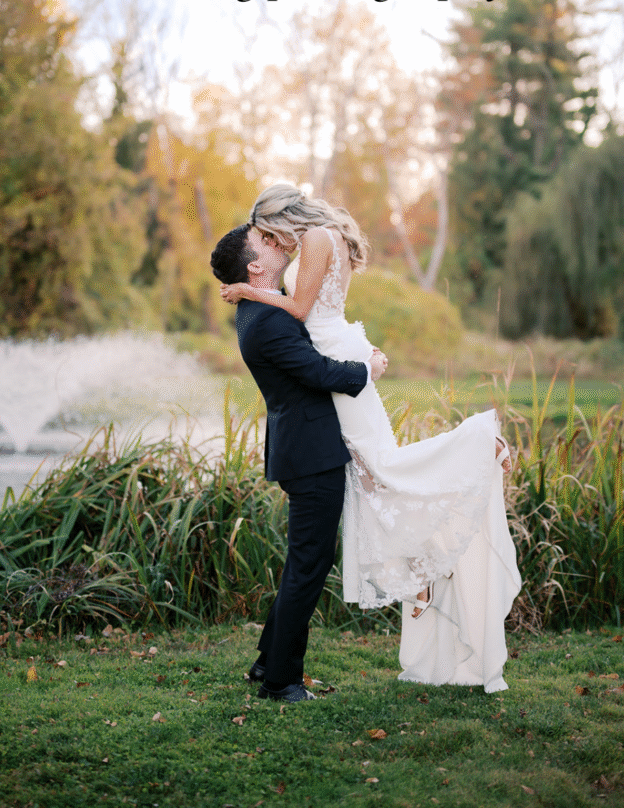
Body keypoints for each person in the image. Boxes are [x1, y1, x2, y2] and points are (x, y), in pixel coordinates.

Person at [219, 184, 522, 694]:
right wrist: (359, 359)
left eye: (272, 233)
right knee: (375, 477)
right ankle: (418, 567)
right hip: (336, 362)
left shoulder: (313, 240)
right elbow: (305, 325)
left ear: (285, 218)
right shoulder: (312, 245)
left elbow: (298, 311)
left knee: (382, 469)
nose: (276, 244)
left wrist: (361, 363)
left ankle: (475, 447)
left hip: (340, 362)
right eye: (267, 240)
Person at [210, 223, 388, 704]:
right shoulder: (266, 322)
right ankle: (281, 682)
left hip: (303, 448)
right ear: (253, 267)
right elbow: (317, 372)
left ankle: (269, 660)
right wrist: (366, 369)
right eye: (264, 243)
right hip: (310, 454)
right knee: (310, 564)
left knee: (303, 563)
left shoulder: (261, 310)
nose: (275, 244)